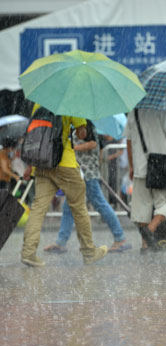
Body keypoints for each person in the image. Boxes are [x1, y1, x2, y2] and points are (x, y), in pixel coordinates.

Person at [21, 107, 108, 267]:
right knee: (79, 208)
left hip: (43, 162)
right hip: (65, 163)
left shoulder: (39, 102)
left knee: (38, 208)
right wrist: (78, 127)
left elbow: (35, 134)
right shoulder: (71, 102)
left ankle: (28, 252)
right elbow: (82, 134)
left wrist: (30, 166)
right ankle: (89, 252)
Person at [43, 121, 131, 254]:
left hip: (87, 175)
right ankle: (61, 242)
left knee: (100, 204)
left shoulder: (85, 124)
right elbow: (99, 150)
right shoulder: (83, 126)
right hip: (82, 174)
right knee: (69, 207)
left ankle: (120, 238)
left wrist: (73, 148)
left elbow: (93, 144)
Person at [126, 108, 166, 252]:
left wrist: (131, 165)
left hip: (140, 165)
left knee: (142, 209)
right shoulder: (164, 108)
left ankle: (145, 245)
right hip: (161, 164)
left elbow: (129, 140)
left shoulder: (135, 111)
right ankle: (151, 229)